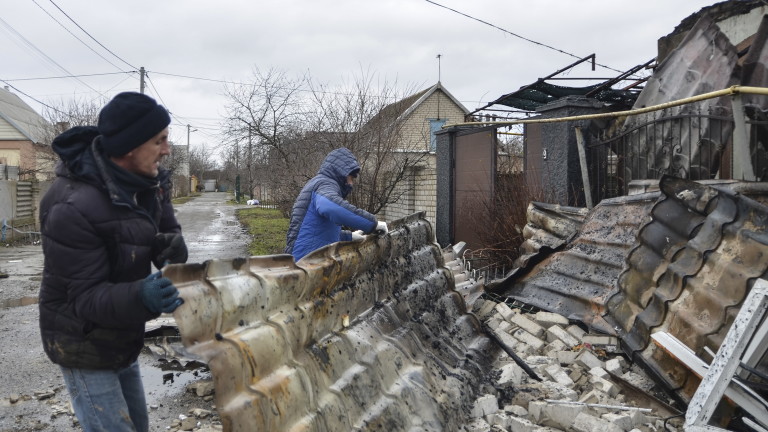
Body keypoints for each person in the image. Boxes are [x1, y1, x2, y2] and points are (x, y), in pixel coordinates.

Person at [38, 92, 189, 432]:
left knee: (138, 425)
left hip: (122, 332)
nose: (167, 150)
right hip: (82, 339)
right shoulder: (71, 206)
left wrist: (170, 246)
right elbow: (83, 298)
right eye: (159, 141)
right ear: (130, 147)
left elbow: (164, 227)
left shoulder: (149, 181)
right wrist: (141, 296)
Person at [285, 147, 387, 261]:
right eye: (351, 178)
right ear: (342, 173)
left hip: (306, 259)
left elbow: (318, 231)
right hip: (304, 263)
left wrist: (350, 236)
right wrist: (372, 224)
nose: (351, 183)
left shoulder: (319, 183)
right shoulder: (325, 184)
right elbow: (331, 208)